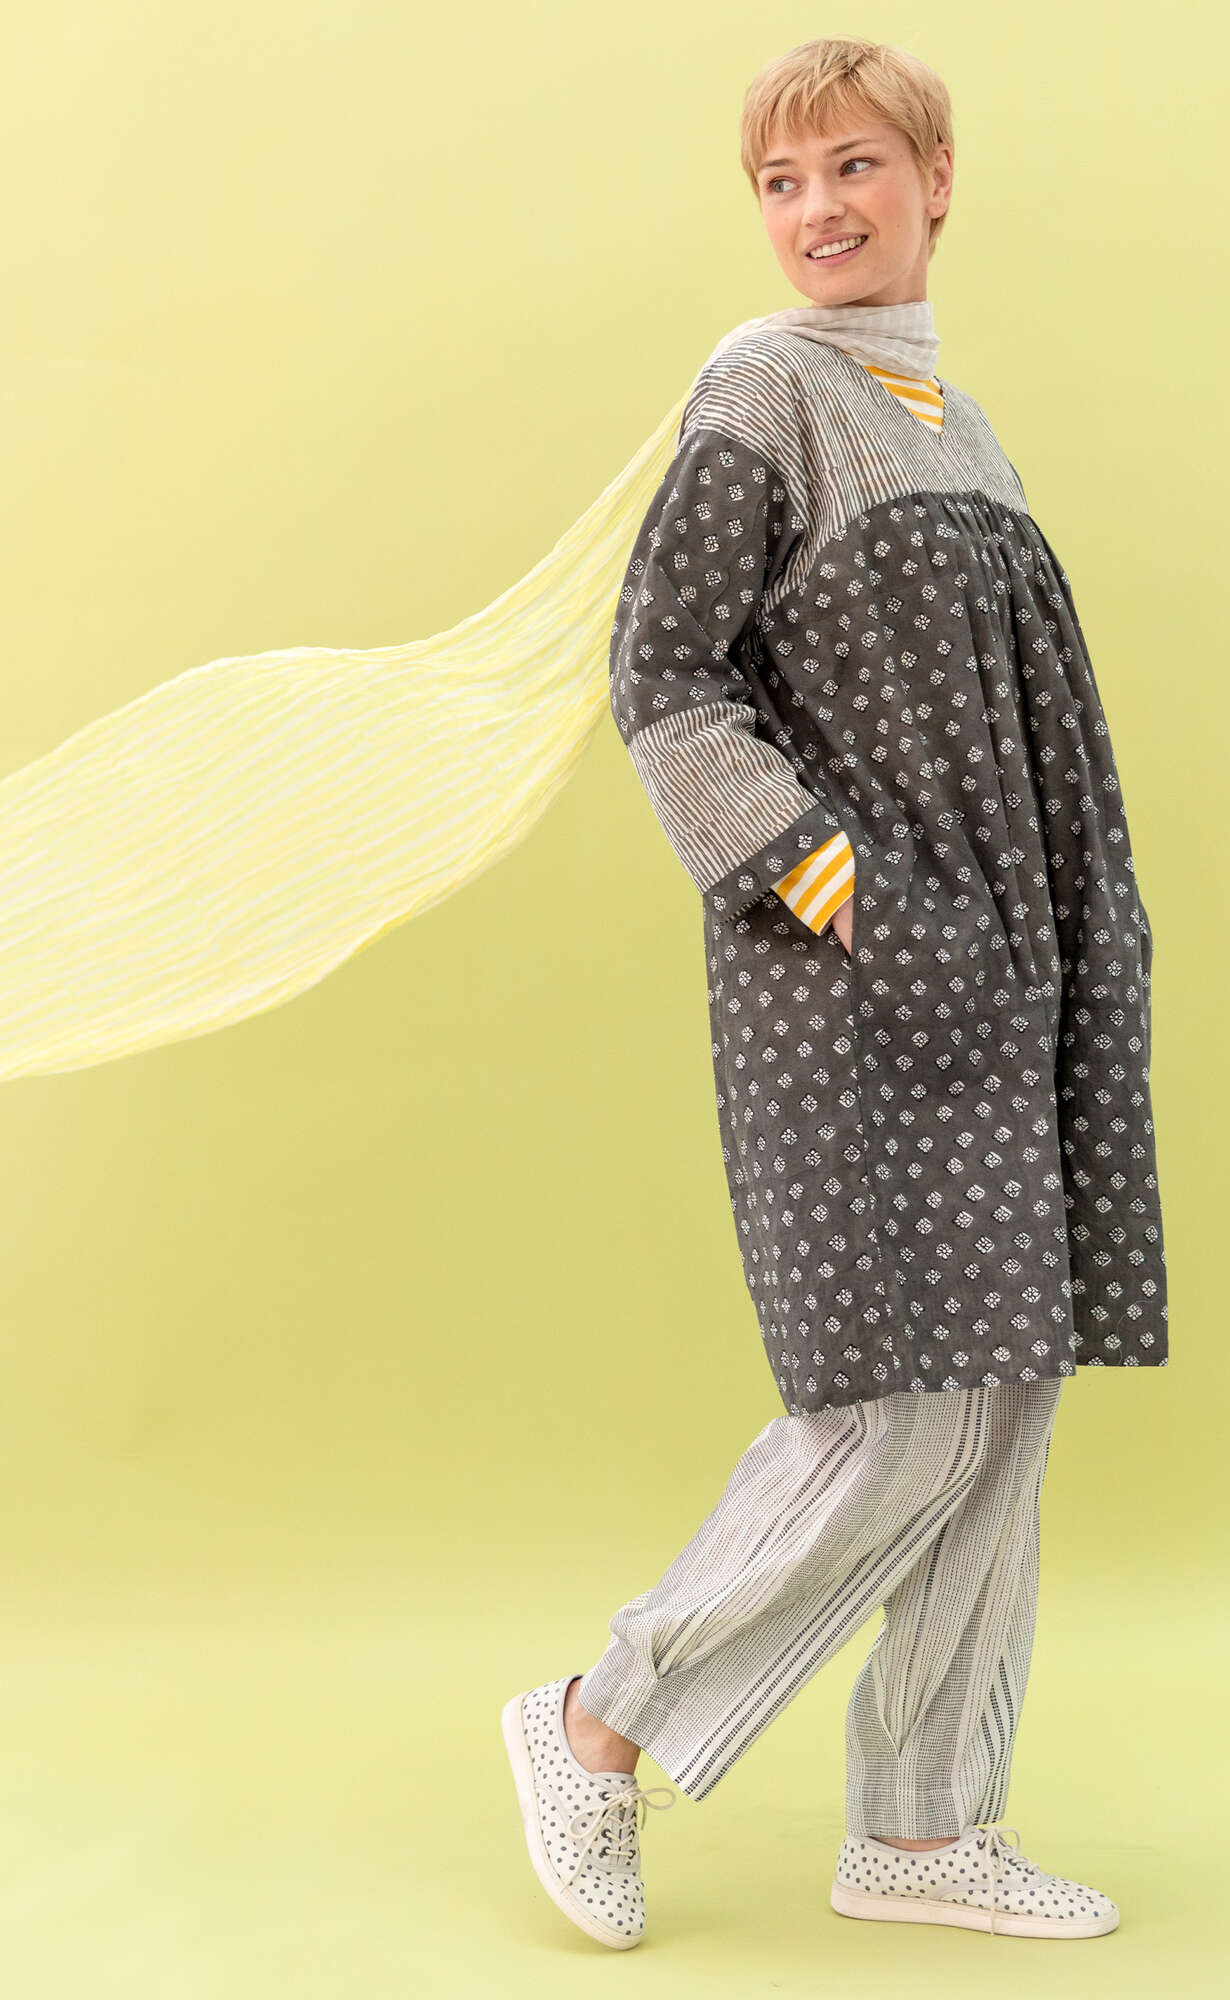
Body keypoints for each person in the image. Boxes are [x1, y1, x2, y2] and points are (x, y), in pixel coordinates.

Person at [499, 36, 1166, 1951]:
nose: (817, 210)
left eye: (854, 166)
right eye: (782, 182)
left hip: (1007, 985)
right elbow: (663, 675)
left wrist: (1065, 948)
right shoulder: (764, 390)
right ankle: (598, 1718)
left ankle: (923, 1828)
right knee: (901, 1413)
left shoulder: (953, 421)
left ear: (936, 177)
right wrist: (836, 884)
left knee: (1005, 1400)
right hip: (853, 988)